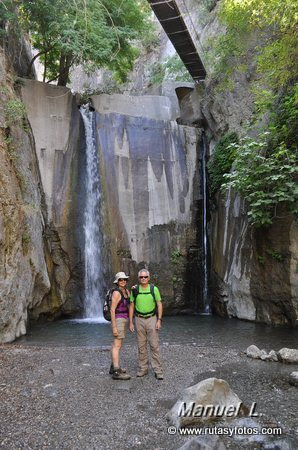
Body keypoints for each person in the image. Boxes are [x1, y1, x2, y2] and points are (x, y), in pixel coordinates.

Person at [129, 269, 163, 380]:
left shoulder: (154, 289)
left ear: (148, 278)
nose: (143, 279)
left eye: (145, 277)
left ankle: (157, 370)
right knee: (141, 345)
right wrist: (130, 322)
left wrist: (159, 320)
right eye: (141, 277)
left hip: (152, 319)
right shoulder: (135, 290)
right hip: (139, 319)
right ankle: (143, 368)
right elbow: (132, 306)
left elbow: (159, 304)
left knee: (154, 345)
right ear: (138, 278)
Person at [110, 272, 131, 380]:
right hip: (118, 320)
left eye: (124, 279)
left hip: (124, 319)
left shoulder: (126, 291)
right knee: (117, 345)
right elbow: (112, 309)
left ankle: (114, 366)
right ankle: (116, 372)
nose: (123, 281)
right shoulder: (116, 293)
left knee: (117, 344)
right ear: (117, 282)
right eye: (120, 279)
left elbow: (131, 303)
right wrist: (114, 327)